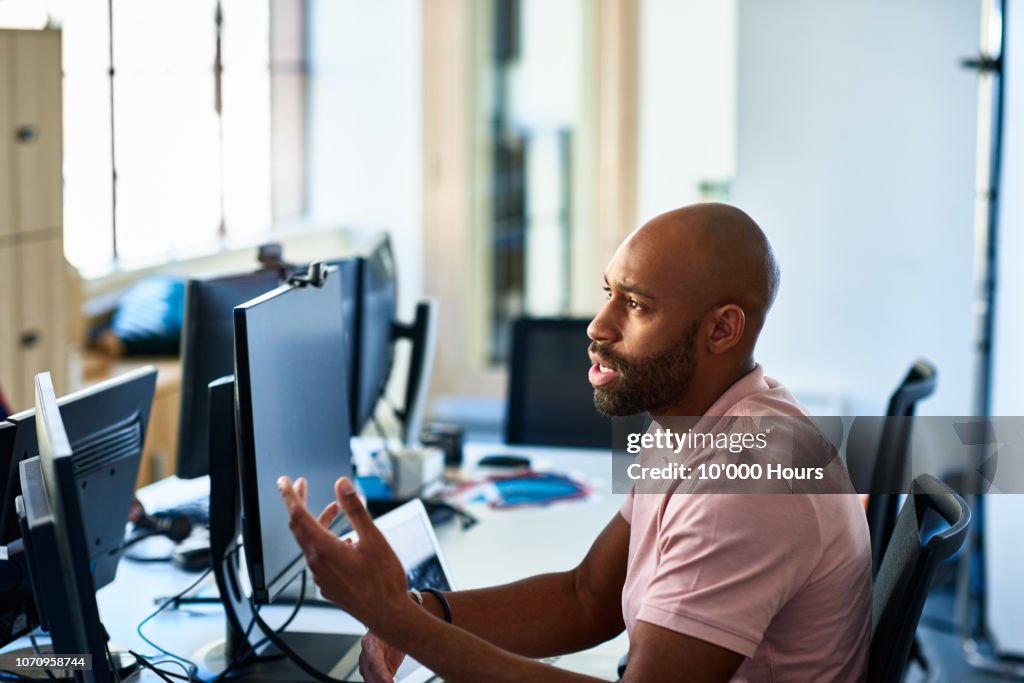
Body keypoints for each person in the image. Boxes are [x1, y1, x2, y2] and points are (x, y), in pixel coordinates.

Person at [278, 203, 872, 683]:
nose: (598, 326)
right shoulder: (698, 422)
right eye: (609, 292)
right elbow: (587, 596)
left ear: (722, 329)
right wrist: (416, 611)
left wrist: (399, 624)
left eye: (635, 305)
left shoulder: (747, 478)